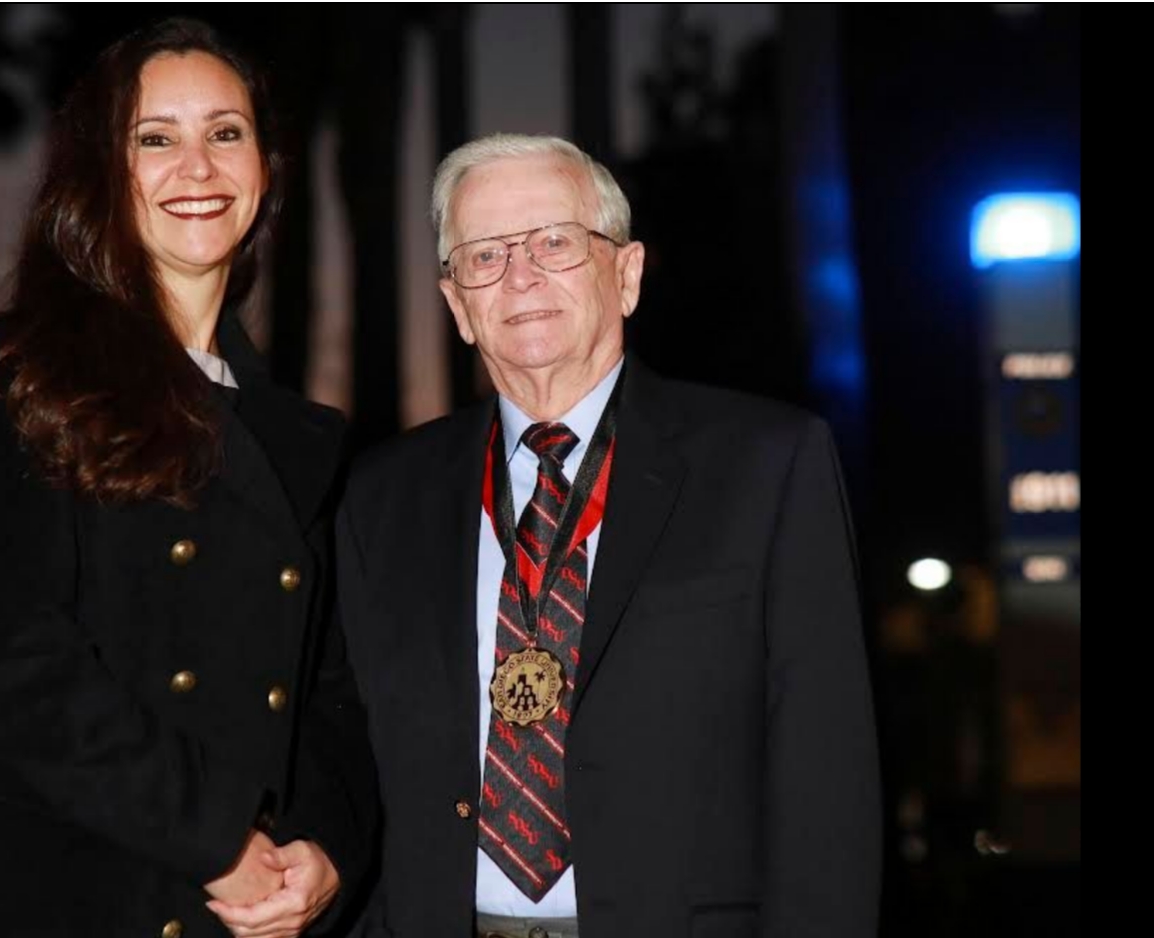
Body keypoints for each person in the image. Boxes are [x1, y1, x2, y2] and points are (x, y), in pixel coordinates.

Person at [0, 18, 375, 938]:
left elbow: (331, 691)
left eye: (225, 133)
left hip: (241, 911)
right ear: (103, 172)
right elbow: (6, 656)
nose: (197, 166)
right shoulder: (15, 370)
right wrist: (218, 841)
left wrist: (324, 846)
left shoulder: (300, 436)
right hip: (44, 897)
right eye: (155, 138)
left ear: (265, 169)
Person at [335, 133, 880, 938]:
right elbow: (351, 755)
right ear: (457, 306)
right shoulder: (382, 494)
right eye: (484, 256)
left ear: (624, 275)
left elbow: (828, 778)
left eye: (554, 242)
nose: (520, 276)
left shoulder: (768, 465)